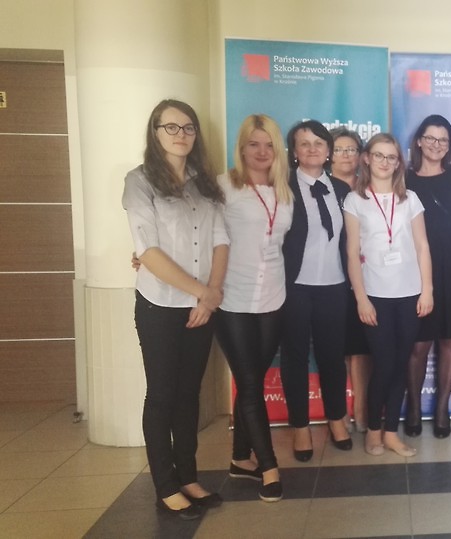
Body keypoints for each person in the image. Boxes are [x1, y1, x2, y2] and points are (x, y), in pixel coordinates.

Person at [122, 99, 227, 519]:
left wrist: (211, 293)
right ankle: (165, 486)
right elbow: (147, 250)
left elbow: (221, 240)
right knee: (162, 395)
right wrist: (203, 292)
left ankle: (188, 476)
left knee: (188, 396)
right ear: (155, 132)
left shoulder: (205, 183)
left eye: (188, 127)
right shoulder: (140, 181)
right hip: (161, 305)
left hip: (202, 306)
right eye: (171, 127)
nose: (181, 134)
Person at [215, 114, 291, 502]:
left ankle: (239, 458)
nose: (262, 152)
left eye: (269, 144)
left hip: (272, 297)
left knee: (252, 380)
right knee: (248, 383)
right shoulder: (223, 186)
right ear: (241, 148)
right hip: (232, 298)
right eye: (253, 144)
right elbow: (199, 234)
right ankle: (269, 467)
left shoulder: (284, 191)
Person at [343, 133, 433, 457]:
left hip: (410, 294)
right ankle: (373, 430)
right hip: (375, 295)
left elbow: (422, 246)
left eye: (391, 157)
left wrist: (427, 289)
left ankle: (391, 432)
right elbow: (352, 252)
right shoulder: (355, 200)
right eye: (378, 155)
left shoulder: (410, 199)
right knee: (383, 364)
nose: (384, 162)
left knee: (400, 364)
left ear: (398, 163)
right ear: (366, 159)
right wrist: (361, 298)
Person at [281, 120, 353, 461]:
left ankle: (336, 419)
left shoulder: (340, 189)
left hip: (334, 286)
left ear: (328, 151)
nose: (312, 149)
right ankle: (300, 426)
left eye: (319, 143)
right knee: (295, 358)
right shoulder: (282, 187)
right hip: (294, 287)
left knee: (332, 358)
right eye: (304, 143)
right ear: (294, 152)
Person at [404, 115, 451, 439]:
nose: (436, 145)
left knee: (450, 340)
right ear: (419, 141)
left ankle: (442, 408)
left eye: (443, 140)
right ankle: (414, 408)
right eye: (431, 138)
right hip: (418, 268)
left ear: (450, 146)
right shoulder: (404, 179)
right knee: (418, 345)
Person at [328, 127, 372, 433]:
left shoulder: (368, 188)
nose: (346, 155)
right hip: (328, 275)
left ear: (361, 156)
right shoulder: (320, 187)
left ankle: (361, 409)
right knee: (335, 347)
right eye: (339, 149)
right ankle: (338, 411)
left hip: (366, 275)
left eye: (352, 150)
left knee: (361, 346)